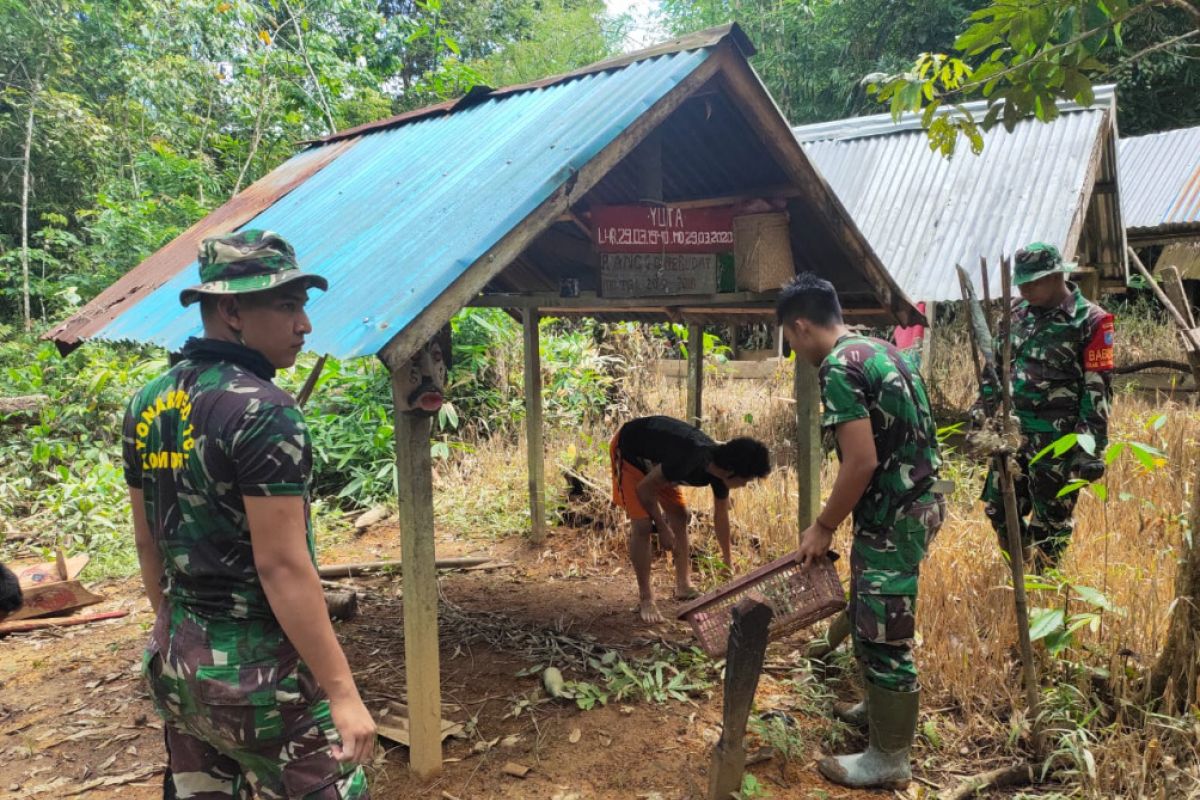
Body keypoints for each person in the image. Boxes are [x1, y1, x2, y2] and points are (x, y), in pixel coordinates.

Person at [123, 230, 374, 799]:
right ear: (232, 310)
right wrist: (341, 693)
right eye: (287, 305)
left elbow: (147, 543)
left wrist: (177, 637)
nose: (304, 324)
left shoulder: (148, 401)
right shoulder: (264, 410)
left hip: (178, 667)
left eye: (303, 305)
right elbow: (282, 567)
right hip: (259, 683)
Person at [778, 272, 944, 790]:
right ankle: (877, 708)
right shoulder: (879, 348)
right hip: (920, 503)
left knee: (884, 633)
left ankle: (889, 757)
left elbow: (861, 461)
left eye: (789, 339)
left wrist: (823, 526)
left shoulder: (836, 367)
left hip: (895, 515)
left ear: (801, 326)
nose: (793, 349)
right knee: (872, 611)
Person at [972, 242, 1114, 568]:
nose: (1025, 288)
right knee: (999, 508)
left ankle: (1042, 588)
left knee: (1050, 523)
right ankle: (1021, 569)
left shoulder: (1091, 320)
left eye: (1032, 281)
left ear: (1056, 275)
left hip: (1058, 441)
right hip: (1013, 435)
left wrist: (1090, 448)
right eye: (1021, 282)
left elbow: (1098, 387)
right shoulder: (1014, 315)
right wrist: (981, 410)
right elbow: (995, 371)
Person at [609, 415, 770, 624]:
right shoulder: (689, 457)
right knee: (642, 525)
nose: (746, 485)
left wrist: (727, 562)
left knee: (680, 515)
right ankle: (646, 599)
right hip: (630, 451)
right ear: (732, 472)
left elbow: (721, 517)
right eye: (747, 479)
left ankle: (683, 585)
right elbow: (644, 489)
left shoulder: (719, 470)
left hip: (659, 463)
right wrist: (662, 526)